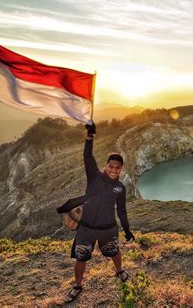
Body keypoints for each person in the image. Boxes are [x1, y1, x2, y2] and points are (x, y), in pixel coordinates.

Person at [64, 120, 135, 303]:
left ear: (121, 169)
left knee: (114, 252)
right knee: (81, 257)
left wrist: (126, 229)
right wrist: (90, 137)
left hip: (108, 228)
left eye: (117, 167)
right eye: (110, 166)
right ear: (106, 165)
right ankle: (78, 286)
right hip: (86, 227)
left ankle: (119, 271)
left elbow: (122, 211)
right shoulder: (94, 177)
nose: (113, 170)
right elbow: (88, 156)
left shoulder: (120, 188)